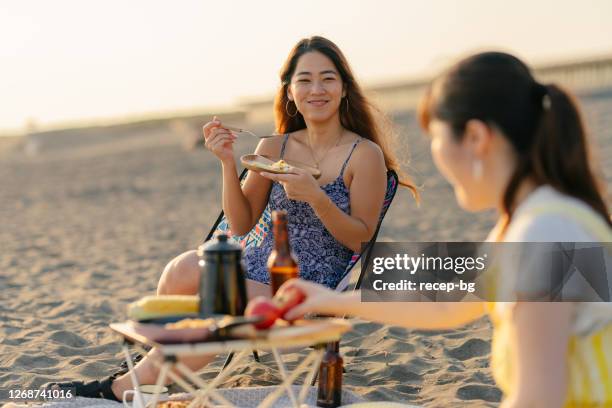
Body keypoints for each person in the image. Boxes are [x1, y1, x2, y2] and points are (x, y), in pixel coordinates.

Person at [47, 36, 416, 400]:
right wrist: (226, 161)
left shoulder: (363, 154)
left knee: (220, 297)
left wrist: (316, 197)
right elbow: (241, 225)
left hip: (307, 281)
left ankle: (122, 388)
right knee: (182, 268)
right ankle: (160, 367)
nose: (315, 89)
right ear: (289, 92)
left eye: (327, 78)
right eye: (304, 80)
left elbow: (360, 239)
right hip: (255, 259)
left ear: (344, 88)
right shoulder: (273, 148)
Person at [279, 51, 612, 407]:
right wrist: (328, 299)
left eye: (435, 138)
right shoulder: (532, 220)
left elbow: (539, 398)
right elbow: (447, 304)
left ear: (475, 137)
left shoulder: (543, 231)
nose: (436, 156)